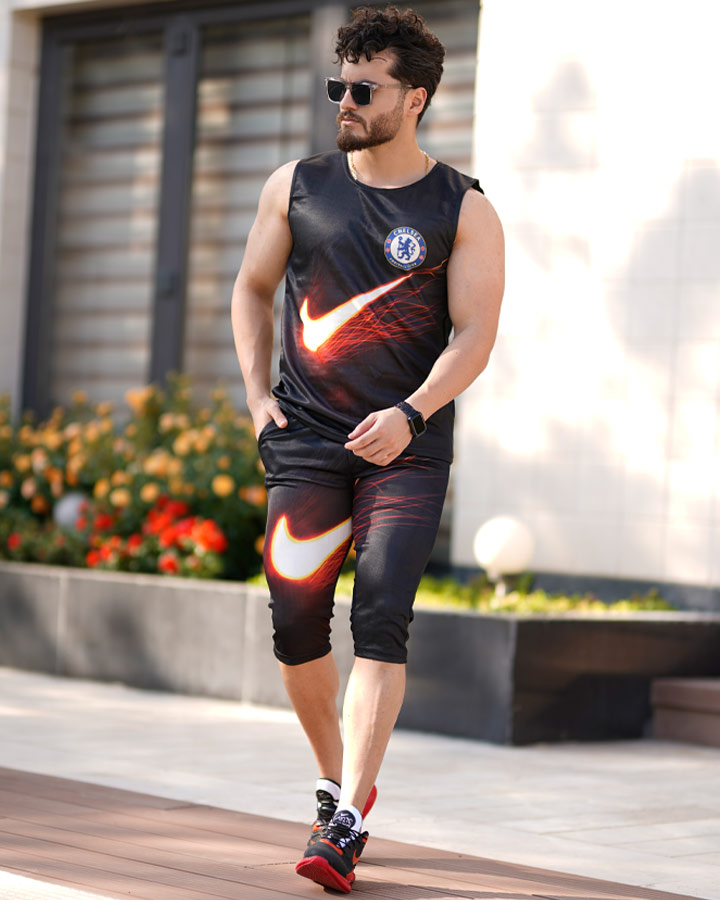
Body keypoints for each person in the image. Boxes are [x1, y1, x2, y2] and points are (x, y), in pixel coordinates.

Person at [231, 5, 504, 893]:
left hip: (406, 453)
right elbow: (251, 288)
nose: (344, 103)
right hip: (305, 441)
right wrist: (258, 398)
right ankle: (338, 778)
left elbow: (474, 335)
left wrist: (413, 414)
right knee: (295, 620)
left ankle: (345, 820)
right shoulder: (296, 186)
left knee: (382, 612)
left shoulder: (462, 207)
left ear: (414, 98)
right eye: (337, 87)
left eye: (364, 90)